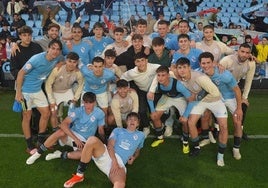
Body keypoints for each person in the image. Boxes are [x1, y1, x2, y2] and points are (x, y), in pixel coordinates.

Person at [63, 112, 145, 188]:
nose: (132, 121)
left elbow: (138, 149)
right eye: (130, 119)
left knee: (120, 184)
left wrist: (134, 157)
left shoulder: (141, 135)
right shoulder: (118, 130)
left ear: (138, 123)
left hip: (120, 163)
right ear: (126, 122)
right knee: (92, 140)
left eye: (135, 120)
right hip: (107, 154)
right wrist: (114, 161)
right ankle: (79, 175)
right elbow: (110, 145)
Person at [25, 92, 105, 165]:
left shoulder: (100, 113)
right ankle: (37, 154)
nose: (88, 106)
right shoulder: (78, 111)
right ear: (83, 102)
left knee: (84, 155)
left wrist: (104, 143)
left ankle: (59, 154)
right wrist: (76, 139)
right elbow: (63, 124)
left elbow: (100, 130)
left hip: (84, 141)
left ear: (95, 102)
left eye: (91, 103)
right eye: (86, 103)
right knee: (61, 132)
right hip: (72, 136)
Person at [176, 57, 228, 167]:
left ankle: (220, 155)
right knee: (191, 122)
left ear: (189, 68)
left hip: (215, 100)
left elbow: (215, 93)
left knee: (223, 127)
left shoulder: (200, 78)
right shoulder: (181, 79)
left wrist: (197, 97)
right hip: (200, 101)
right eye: (179, 68)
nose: (182, 70)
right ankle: (196, 147)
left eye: (184, 67)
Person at [15, 39, 62, 154]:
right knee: (27, 116)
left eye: (57, 49)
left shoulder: (57, 59)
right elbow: (21, 73)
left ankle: (41, 142)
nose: (55, 51)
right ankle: (30, 146)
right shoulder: (36, 59)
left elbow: (67, 60)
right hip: (25, 91)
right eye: (53, 48)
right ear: (48, 48)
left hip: (37, 90)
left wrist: (62, 63)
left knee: (46, 113)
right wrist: (18, 92)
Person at [199, 52, 243, 160]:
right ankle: (206, 137)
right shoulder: (200, 74)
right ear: (200, 64)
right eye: (203, 63)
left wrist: (239, 107)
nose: (206, 65)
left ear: (213, 62)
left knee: (237, 121)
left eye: (208, 62)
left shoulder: (224, 74)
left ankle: (236, 148)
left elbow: (237, 90)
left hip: (229, 97)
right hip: (215, 98)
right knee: (204, 115)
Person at [147, 65, 194, 150]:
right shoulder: (156, 82)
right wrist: (152, 111)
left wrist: (186, 115)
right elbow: (149, 96)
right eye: (159, 75)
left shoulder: (178, 85)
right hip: (167, 97)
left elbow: (191, 99)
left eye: (163, 75)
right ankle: (160, 138)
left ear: (168, 75)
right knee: (154, 116)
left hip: (180, 98)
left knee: (185, 121)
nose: (160, 78)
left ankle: (185, 141)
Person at [220, 43, 256, 140]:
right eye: (242, 51)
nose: (244, 54)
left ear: (250, 54)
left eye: (247, 53)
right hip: (221, 87)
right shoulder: (227, 60)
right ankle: (216, 129)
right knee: (218, 105)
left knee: (243, 105)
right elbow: (217, 77)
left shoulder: (251, 63)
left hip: (235, 86)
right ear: (238, 51)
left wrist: (244, 97)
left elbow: (249, 81)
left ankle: (240, 128)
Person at [121, 52, 161, 137]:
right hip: (142, 92)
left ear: (147, 61)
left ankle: (156, 122)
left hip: (155, 92)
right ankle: (146, 127)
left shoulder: (154, 67)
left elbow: (165, 70)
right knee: (142, 111)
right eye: (138, 61)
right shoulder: (132, 72)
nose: (141, 63)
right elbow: (122, 78)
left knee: (158, 110)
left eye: (143, 60)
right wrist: (128, 88)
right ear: (135, 63)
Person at [45, 52, 84, 131]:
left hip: (67, 90)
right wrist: (52, 101)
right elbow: (48, 85)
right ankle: (55, 130)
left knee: (73, 107)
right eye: (70, 61)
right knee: (53, 111)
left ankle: (71, 127)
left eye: (74, 62)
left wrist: (76, 98)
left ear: (77, 63)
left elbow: (81, 85)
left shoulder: (78, 73)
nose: (71, 64)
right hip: (55, 91)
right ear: (66, 61)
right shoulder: (57, 69)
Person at [80, 56, 116, 125]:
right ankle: (85, 125)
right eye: (95, 66)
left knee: (104, 111)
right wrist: (88, 65)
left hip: (101, 92)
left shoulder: (109, 74)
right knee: (84, 110)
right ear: (92, 66)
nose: (98, 69)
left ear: (103, 66)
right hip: (88, 91)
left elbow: (116, 80)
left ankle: (105, 127)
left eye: (100, 66)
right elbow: (79, 64)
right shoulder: (86, 71)